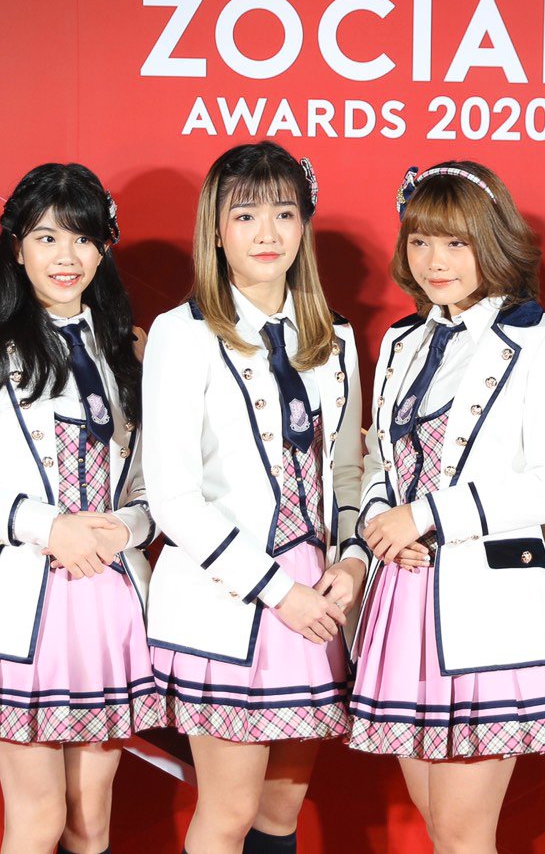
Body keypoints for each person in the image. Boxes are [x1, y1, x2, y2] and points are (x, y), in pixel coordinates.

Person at [0, 163, 158, 854]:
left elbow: (151, 490)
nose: (65, 256)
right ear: (16, 247)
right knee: (39, 816)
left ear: (103, 249)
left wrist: (123, 528)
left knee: (91, 819)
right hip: (14, 601)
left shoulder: (130, 348)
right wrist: (47, 526)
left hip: (107, 599)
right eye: (46, 238)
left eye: (82, 238)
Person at [348, 161, 545, 854]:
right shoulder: (402, 342)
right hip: (403, 599)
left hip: (492, 606)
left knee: (461, 833)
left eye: (456, 243)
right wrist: (380, 525)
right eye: (421, 241)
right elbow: (377, 461)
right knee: (438, 825)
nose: (435, 262)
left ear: (493, 241)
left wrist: (425, 516)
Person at [144, 143, 366, 854]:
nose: (267, 233)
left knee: (280, 812)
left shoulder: (336, 337)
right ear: (215, 231)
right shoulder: (182, 334)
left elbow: (347, 474)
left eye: (284, 213)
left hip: (318, 603)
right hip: (230, 600)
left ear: (304, 225)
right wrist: (278, 592)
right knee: (229, 811)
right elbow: (173, 496)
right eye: (245, 216)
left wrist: (353, 560)